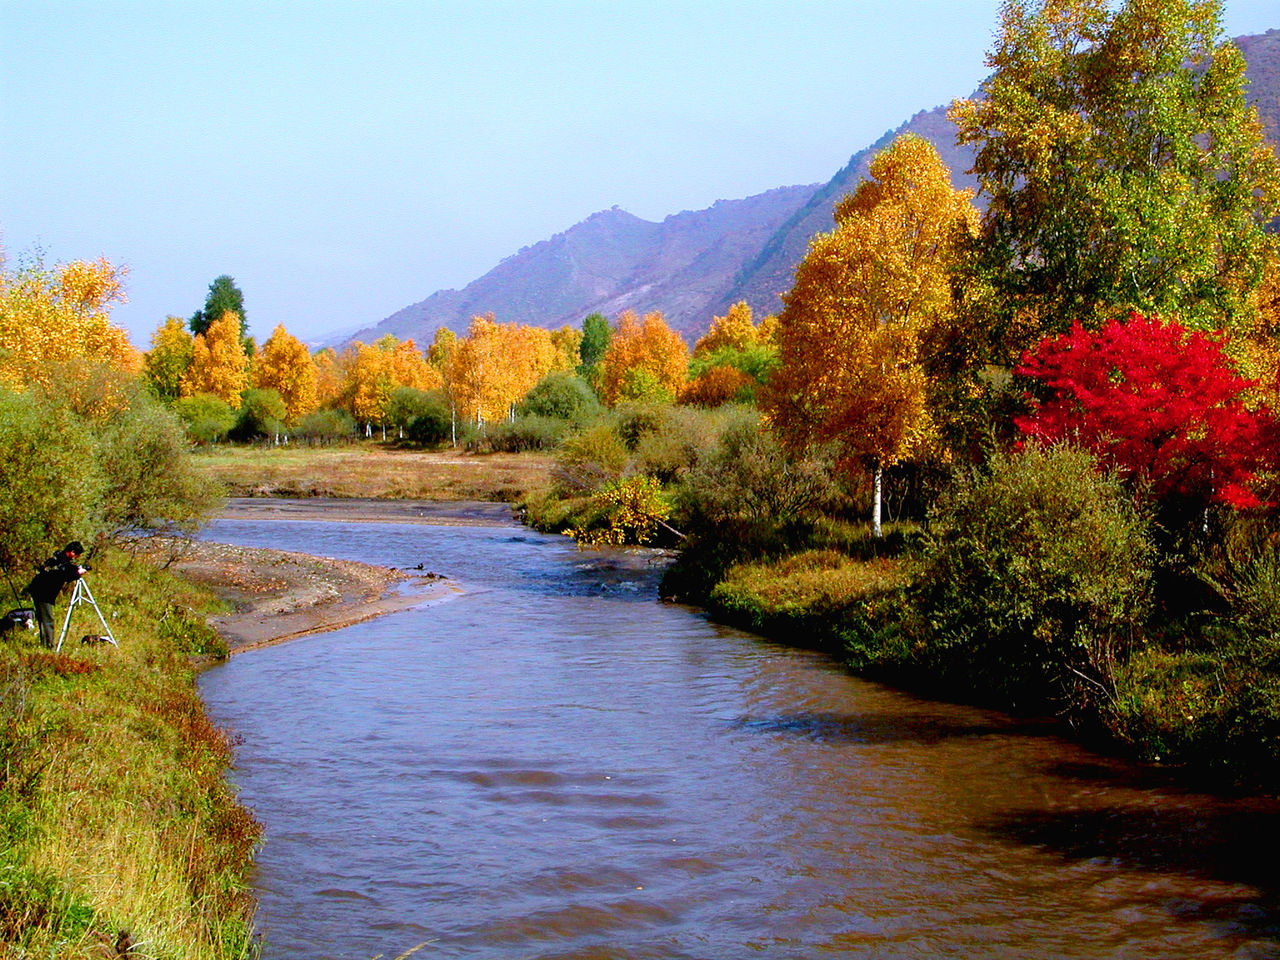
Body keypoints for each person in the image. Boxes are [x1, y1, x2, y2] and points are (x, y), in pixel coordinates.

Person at [25, 541, 86, 649]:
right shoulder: (61, 562)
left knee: (43, 619)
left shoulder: (59, 558)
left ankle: (45, 644)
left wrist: (76, 570)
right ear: (72, 552)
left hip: (39, 591)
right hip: (43, 593)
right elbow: (64, 574)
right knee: (48, 620)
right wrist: (77, 573)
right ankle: (49, 647)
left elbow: (66, 568)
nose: (76, 557)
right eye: (76, 555)